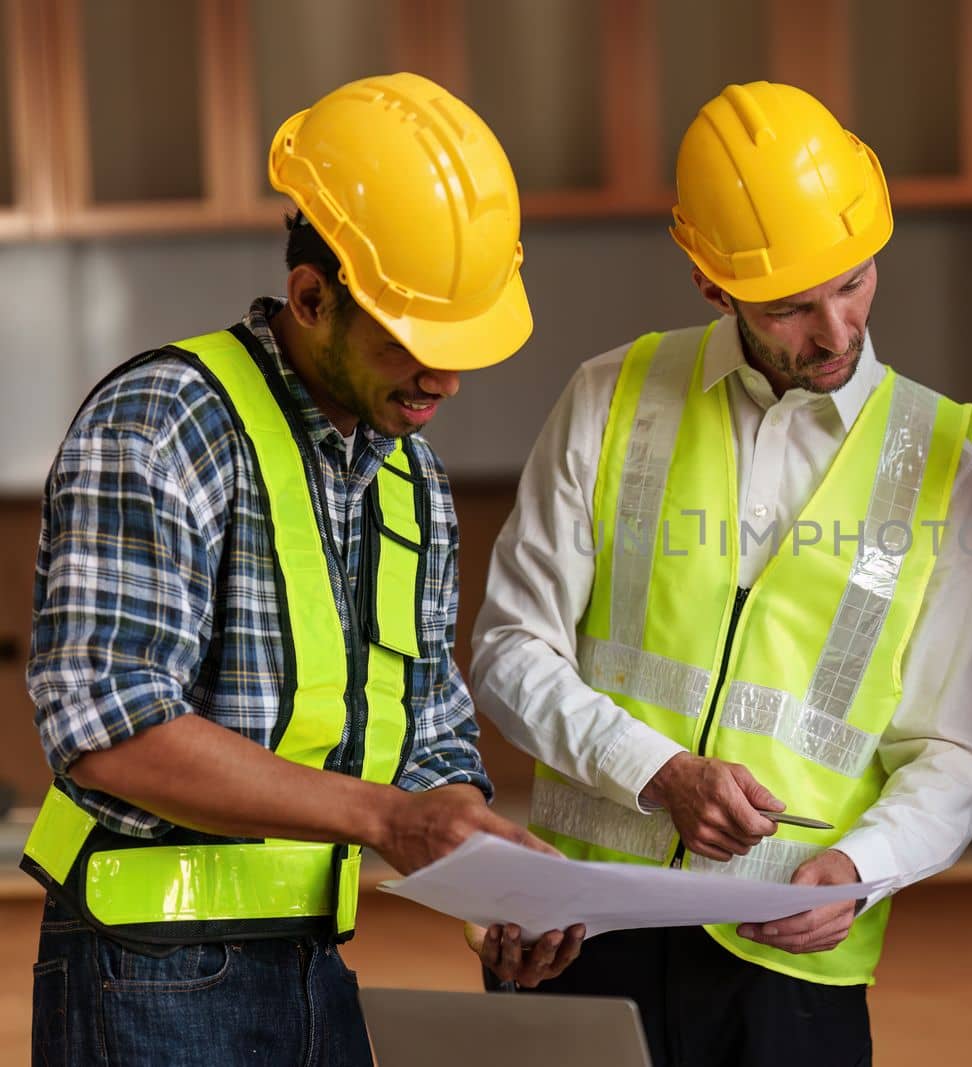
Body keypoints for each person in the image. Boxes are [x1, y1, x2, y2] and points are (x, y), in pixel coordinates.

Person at [23, 73, 581, 1067]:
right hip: (149, 973)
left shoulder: (413, 480)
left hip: (316, 965)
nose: (445, 380)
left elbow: (431, 731)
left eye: (463, 347)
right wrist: (388, 818)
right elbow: (108, 725)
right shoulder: (164, 421)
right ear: (312, 296)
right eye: (414, 343)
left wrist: (484, 878)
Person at [469, 81, 972, 1067]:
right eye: (793, 306)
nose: (837, 331)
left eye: (854, 281)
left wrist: (860, 866)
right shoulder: (611, 398)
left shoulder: (941, 469)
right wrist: (655, 772)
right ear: (714, 287)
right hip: (578, 936)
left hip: (786, 973)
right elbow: (508, 651)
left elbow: (951, 752)